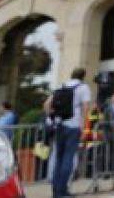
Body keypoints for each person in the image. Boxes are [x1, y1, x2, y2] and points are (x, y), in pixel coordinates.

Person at [44, 67, 91, 198]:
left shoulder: (62, 85)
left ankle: (56, 191)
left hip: (60, 125)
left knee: (58, 158)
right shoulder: (83, 87)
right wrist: (84, 127)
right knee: (68, 158)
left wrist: (51, 117)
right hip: (74, 126)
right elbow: (86, 108)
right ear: (83, 76)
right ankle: (63, 190)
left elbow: (47, 104)